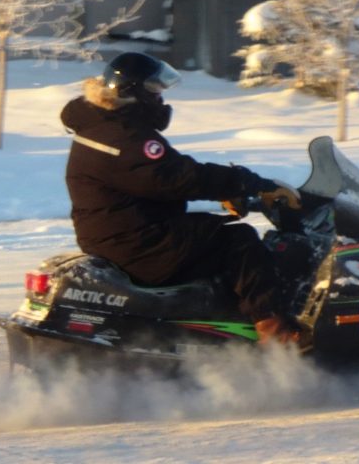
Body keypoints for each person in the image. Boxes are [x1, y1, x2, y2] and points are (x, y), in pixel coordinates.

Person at [59, 52, 302, 344]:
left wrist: (227, 191)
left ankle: (225, 319)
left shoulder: (102, 125)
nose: (160, 99)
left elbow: (156, 182)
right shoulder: (122, 136)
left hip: (120, 234)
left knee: (207, 233)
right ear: (131, 92)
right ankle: (274, 330)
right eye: (154, 91)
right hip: (138, 243)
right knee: (238, 240)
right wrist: (247, 183)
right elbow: (175, 177)